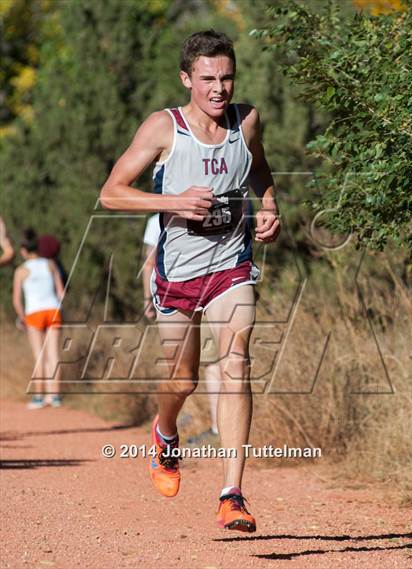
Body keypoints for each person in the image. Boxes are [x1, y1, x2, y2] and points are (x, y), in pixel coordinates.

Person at [100, 30, 280, 532]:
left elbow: (260, 170)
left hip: (231, 265)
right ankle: (165, 432)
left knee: (237, 361)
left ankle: (232, 494)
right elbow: (112, 194)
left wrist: (268, 207)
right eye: (207, 79)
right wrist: (174, 202)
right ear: (187, 80)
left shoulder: (247, 121)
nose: (218, 89)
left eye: (226, 78)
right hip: (178, 271)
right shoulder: (164, 127)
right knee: (182, 379)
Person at [142, 213, 220, 443]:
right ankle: (209, 423)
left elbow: (149, 262)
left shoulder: (157, 217)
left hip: (184, 295)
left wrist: (147, 298)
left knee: (195, 368)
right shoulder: (225, 200)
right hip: (214, 289)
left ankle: (212, 425)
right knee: (211, 365)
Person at [13, 228, 65, 409]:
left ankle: (38, 397)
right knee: (53, 355)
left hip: (33, 313)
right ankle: (54, 396)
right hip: (52, 310)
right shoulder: (50, 264)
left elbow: (16, 300)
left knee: (39, 355)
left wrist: (21, 318)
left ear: (24, 251)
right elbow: (61, 291)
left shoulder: (21, 270)